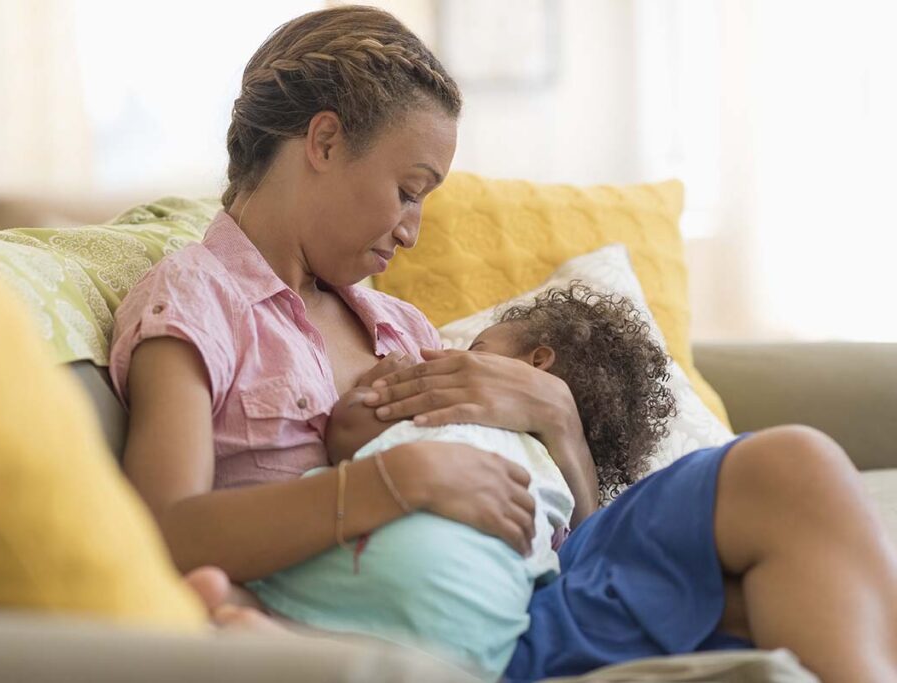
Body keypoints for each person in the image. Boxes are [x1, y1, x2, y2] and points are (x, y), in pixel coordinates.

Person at [110, 6, 897, 682]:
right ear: (323, 140)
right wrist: (393, 482)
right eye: (408, 191)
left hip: (535, 593)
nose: (412, 230)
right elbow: (161, 531)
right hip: (415, 616)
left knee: (796, 489)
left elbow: (564, 534)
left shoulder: (399, 326)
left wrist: (558, 422)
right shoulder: (196, 302)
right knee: (779, 514)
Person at [244, 284, 676, 681]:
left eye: (475, 348)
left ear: (538, 361)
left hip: (366, 575)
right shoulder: (557, 487)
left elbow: (348, 435)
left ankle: (249, 617)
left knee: (246, 586)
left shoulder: (452, 408)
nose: (448, 354)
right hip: (472, 639)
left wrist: (372, 390)